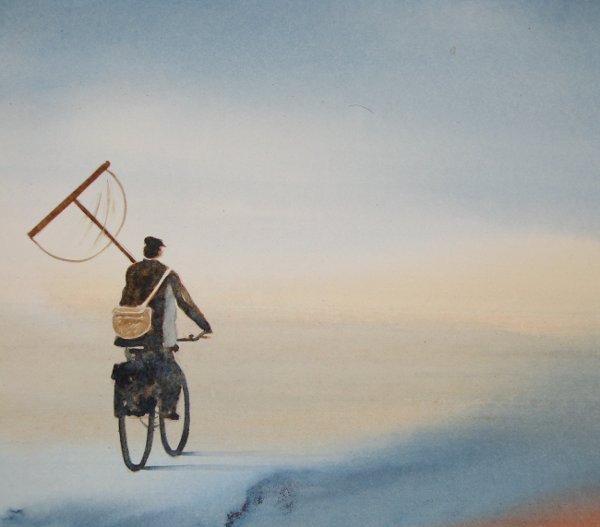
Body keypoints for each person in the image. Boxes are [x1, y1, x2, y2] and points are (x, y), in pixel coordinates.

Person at [114, 236, 212, 419]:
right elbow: (185, 303)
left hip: (130, 333)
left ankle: (134, 399)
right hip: (156, 336)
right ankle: (167, 408)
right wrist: (204, 325)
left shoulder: (132, 270)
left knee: (140, 365)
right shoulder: (168, 275)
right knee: (172, 373)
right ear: (159, 251)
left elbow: (126, 300)